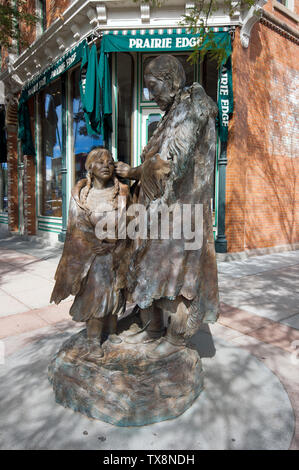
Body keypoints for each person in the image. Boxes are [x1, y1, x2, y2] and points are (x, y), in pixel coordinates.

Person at [115, 55, 219, 358]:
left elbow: (170, 162)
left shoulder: (191, 109)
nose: (150, 95)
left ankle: (175, 341)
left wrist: (138, 174)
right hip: (167, 210)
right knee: (152, 268)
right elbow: (157, 164)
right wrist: (135, 172)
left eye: (152, 86)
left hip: (181, 211)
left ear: (170, 79)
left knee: (177, 275)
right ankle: (154, 328)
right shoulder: (176, 110)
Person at [50, 147, 130, 360]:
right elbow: (76, 227)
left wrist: (115, 243)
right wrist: (92, 243)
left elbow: (129, 222)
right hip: (91, 257)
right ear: (90, 168)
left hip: (115, 254)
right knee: (95, 296)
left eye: (110, 162)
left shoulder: (122, 192)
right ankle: (93, 339)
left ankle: (111, 331)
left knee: (114, 294)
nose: (106, 165)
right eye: (100, 162)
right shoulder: (81, 196)